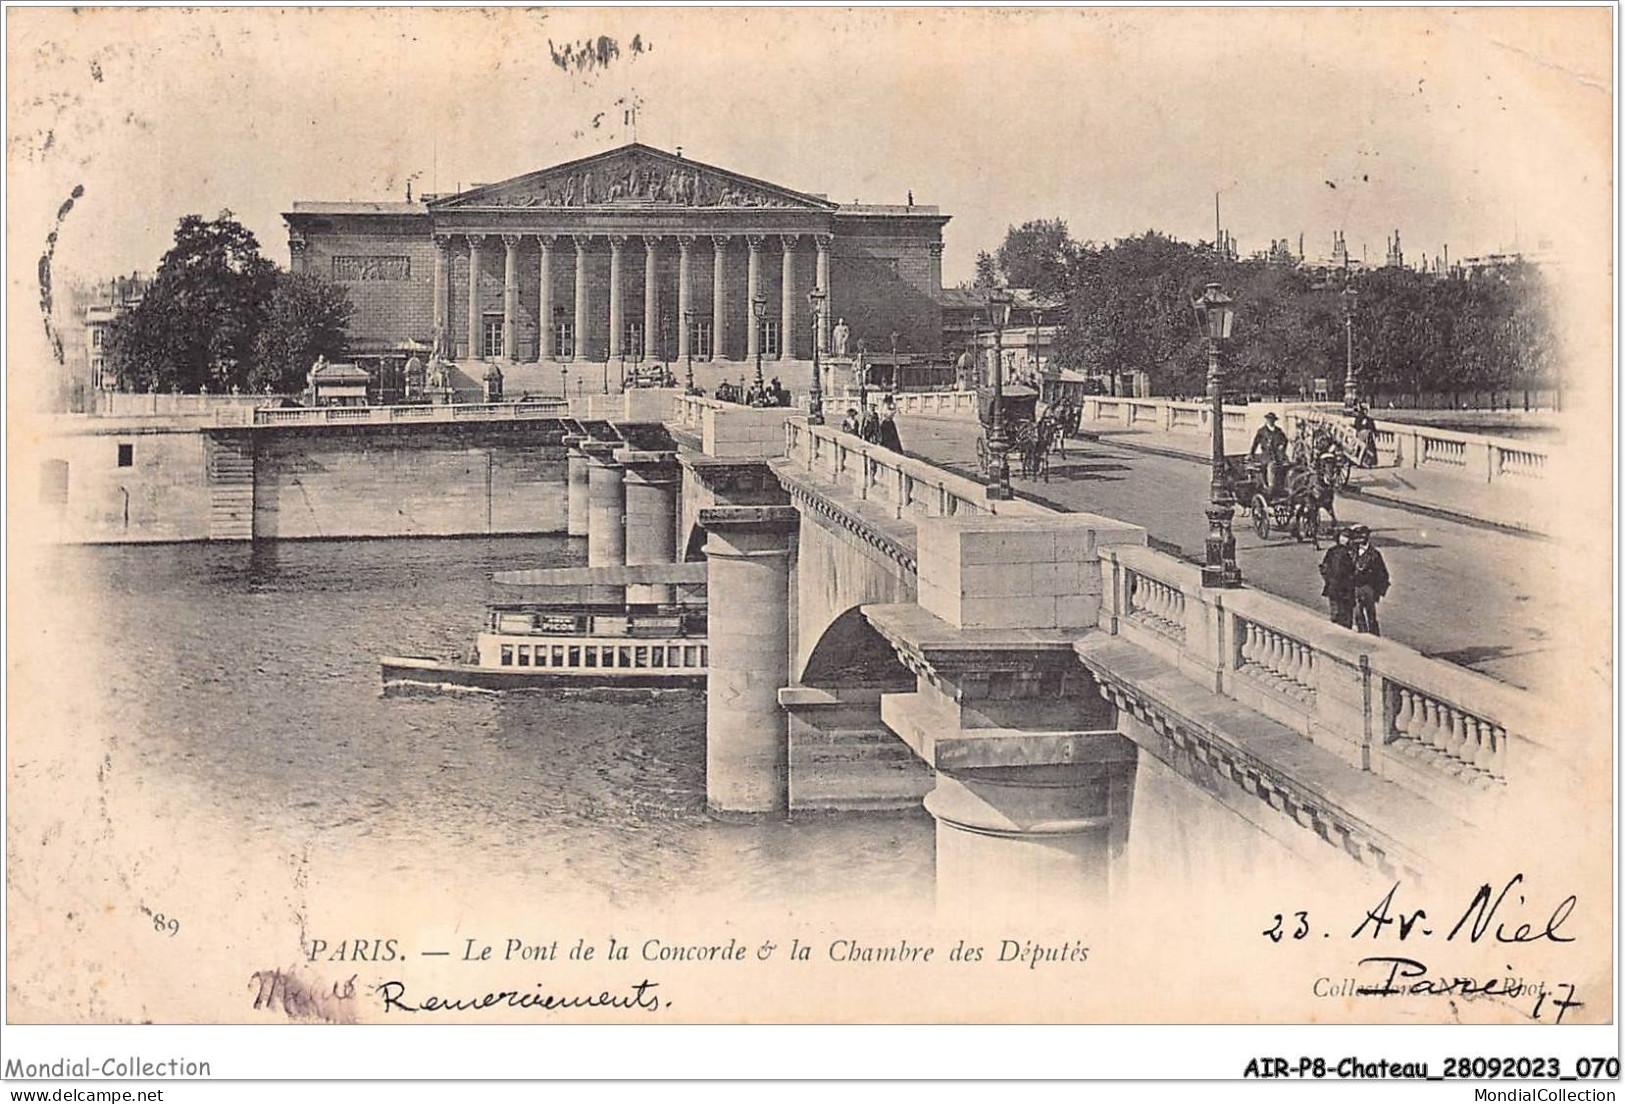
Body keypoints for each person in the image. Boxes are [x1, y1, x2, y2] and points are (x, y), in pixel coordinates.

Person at [1348, 525, 1389, 636]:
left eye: (1363, 535)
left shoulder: (1374, 554)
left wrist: (1378, 592)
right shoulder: (1352, 551)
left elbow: (1382, 574)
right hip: (1355, 587)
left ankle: (1374, 635)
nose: (1361, 538)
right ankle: (1363, 634)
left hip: (1368, 588)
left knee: (1371, 615)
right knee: (1357, 613)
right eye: (1359, 535)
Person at [1318, 527, 1355, 628]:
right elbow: (1324, 567)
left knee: (1341, 614)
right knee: (1340, 615)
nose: (1345, 540)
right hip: (1339, 588)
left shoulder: (1337, 551)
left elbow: (1323, 568)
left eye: (1347, 538)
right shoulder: (1337, 552)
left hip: (1340, 588)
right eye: (1343, 537)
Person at [1250, 412, 1288, 498]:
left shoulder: (1278, 431)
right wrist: (1251, 453)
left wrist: (1282, 447)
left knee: (1286, 466)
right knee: (1271, 466)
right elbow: (1255, 443)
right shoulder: (1262, 431)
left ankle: (1283, 485)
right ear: (1267, 420)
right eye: (1269, 419)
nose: (1271, 421)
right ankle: (1271, 486)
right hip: (1266, 455)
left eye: (1272, 420)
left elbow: (1285, 440)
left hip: (1278, 455)